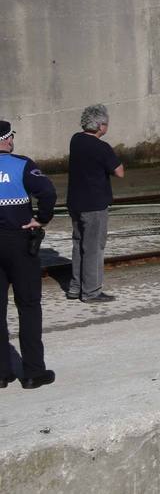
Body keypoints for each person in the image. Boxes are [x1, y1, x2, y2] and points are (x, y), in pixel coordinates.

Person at [0, 119, 58, 390]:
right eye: (10, 137)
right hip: (19, 242)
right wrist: (41, 219)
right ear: (6, 139)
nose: (12, 141)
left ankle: (1, 373)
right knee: (29, 306)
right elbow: (48, 192)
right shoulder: (22, 165)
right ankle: (33, 372)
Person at [66, 104, 123, 303]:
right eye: (106, 124)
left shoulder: (76, 140)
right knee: (94, 247)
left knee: (78, 244)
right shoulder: (102, 147)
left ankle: (75, 287)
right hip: (94, 204)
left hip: (75, 202)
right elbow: (119, 172)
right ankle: (91, 291)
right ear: (100, 126)